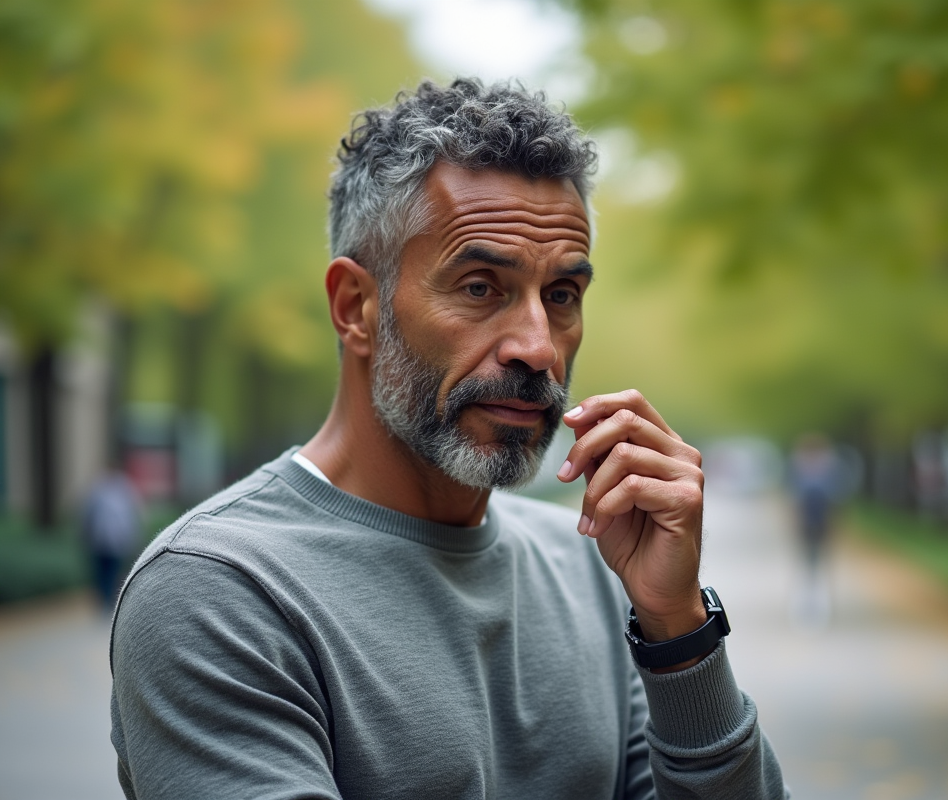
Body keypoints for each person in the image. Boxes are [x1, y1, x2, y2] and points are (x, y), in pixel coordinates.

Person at [109, 79, 787, 799]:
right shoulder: (220, 590)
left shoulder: (590, 571)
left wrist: (677, 631)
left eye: (561, 296)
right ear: (356, 307)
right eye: (479, 287)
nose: (538, 347)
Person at [787, 434, 839, 625]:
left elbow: (834, 503)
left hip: (821, 525)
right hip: (807, 525)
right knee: (806, 565)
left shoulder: (828, 472)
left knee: (820, 565)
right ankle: (804, 607)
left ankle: (820, 608)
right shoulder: (800, 472)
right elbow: (794, 501)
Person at [80, 459, 141, 611]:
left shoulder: (108, 487)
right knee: (106, 572)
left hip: (110, 540)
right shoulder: (116, 487)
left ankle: (107, 601)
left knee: (109, 571)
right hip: (107, 539)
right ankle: (106, 601)